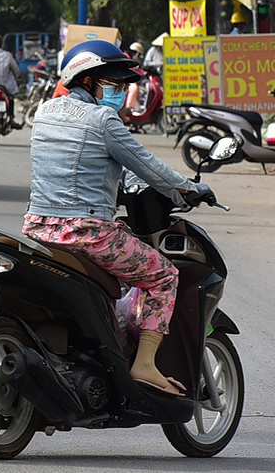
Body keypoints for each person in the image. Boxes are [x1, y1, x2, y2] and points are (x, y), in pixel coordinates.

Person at [27, 40, 210, 396]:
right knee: (163, 274)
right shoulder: (103, 118)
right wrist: (187, 189)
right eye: (113, 83)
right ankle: (144, 364)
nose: (120, 91)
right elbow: (149, 166)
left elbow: (83, 164)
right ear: (86, 80)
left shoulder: (44, 112)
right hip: (88, 233)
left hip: (38, 229)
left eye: (124, 86)